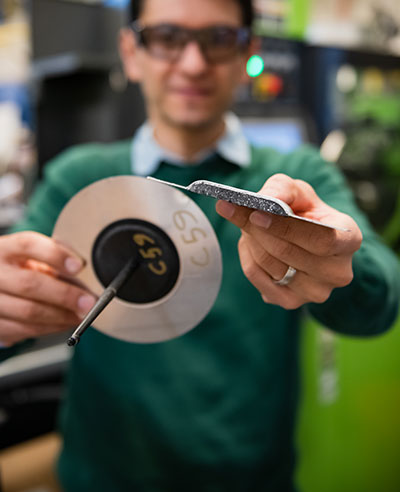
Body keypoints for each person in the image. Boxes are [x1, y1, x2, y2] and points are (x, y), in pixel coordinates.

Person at [0, 0, 399, 490]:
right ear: (132, 51)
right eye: (167, 37)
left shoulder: (298, 176)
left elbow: (379, 302)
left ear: (247, 53)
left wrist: (337, 264)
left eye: (217, 39)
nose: (192, 63)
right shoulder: (78, 179)